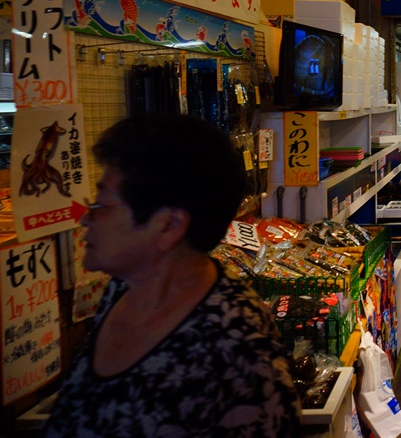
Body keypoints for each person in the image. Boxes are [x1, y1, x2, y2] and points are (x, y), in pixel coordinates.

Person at [43, 115, 301, 437]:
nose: (86, 221)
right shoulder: (122, 290)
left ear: (169, 225)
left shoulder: (234, 342)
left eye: (103, 205)